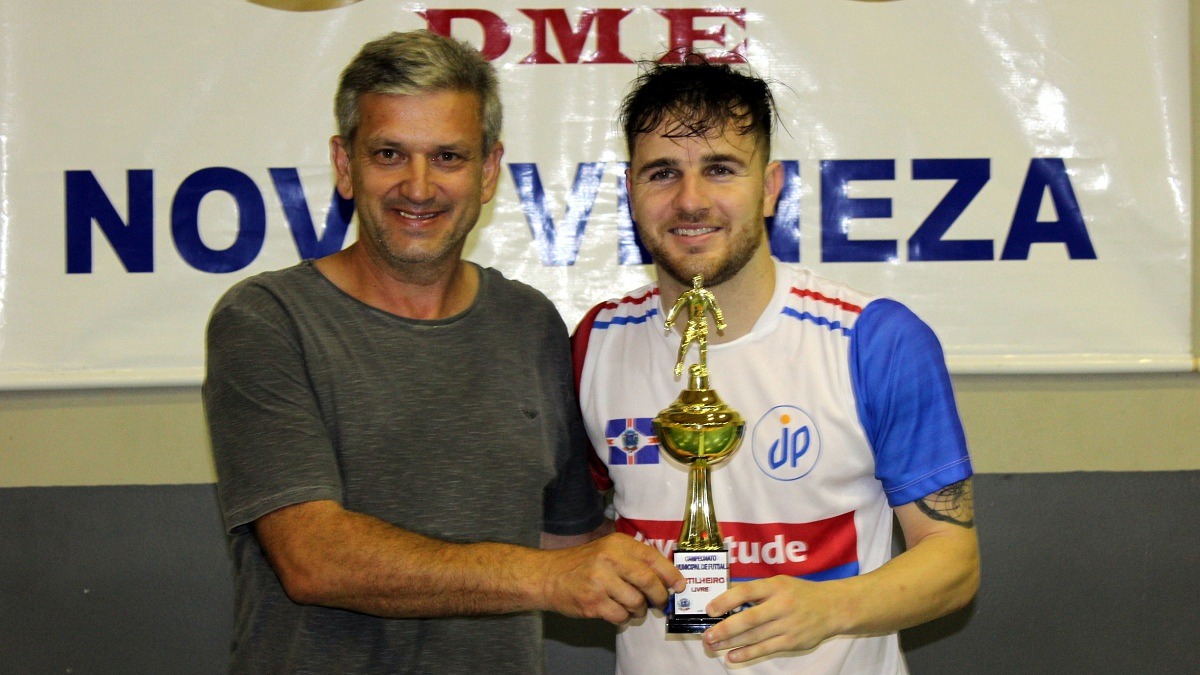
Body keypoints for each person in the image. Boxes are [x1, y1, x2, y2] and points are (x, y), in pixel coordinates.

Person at [202, 30, 683, 674]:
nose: (419, 186)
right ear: (346, 166)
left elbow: (568, 539)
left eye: (449, 157)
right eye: (389, 154)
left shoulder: (530, 323)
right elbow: (313, 559)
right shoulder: (268, 319)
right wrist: (546, 578)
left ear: (488, 171)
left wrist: (712, 556)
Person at [572, 57, 980, 673]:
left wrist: (830, 607)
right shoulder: (595, 340)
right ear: (630, 188)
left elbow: (953, 562)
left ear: (769, 186)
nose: (691, 200)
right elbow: (570, 534)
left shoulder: (874, 339)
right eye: (662, 172)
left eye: (720, 169)